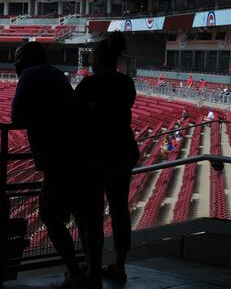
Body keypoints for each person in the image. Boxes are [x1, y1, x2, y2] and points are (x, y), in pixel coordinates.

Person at [11, 42, 103, 289]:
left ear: (26, 60)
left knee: (50, 215)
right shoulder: (55, 75)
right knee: (85, 217)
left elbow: (16, 116)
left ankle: (75, 273)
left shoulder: (31, 75)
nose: (15, 64)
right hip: (83, 157)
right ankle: (91, 274)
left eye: (18, 59)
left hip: (61, 161)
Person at [75, 32, 138, 283]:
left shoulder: (88, 85)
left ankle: (92, 267)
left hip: (98, 155)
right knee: (120, 210)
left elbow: (77, 119)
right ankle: (119, 266)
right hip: (124, 151)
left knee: (91, 214)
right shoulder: (126, 84)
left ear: (98, 60)